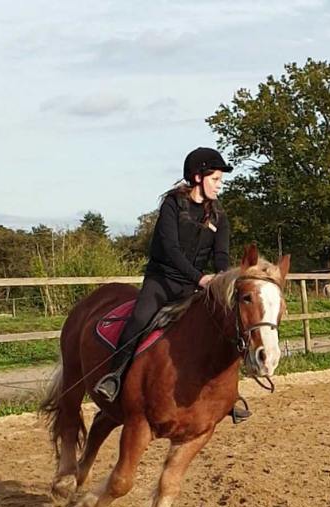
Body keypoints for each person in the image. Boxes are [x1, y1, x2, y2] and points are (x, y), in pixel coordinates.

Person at [94, 147, 251, 421]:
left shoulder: (219, 218)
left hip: (196, 288)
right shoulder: (172, 206)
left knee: (223, 326)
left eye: (220, 180)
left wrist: (222, 281)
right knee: (139, 319)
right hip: (162, 281)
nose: (219, 185)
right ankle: (114, 376)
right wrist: (200, 278)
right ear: (198, 177)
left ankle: (228, 394)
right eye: (215, 179)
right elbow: (170, 250)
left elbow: (221, 256)